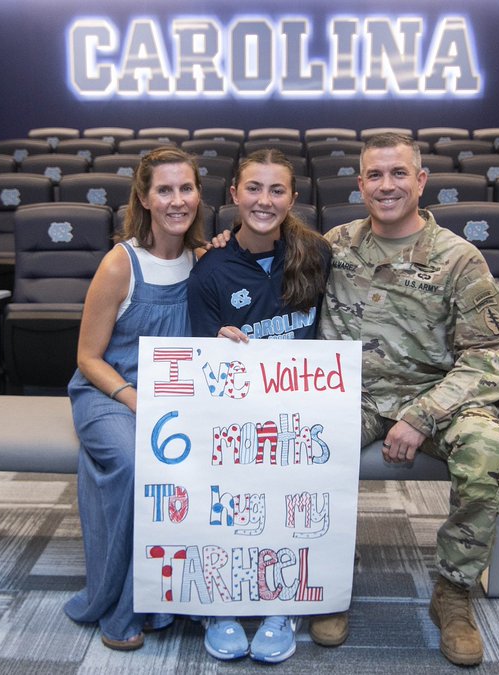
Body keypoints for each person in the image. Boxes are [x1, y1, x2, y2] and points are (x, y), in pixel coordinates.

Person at [313, 133, 499, 667]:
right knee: (299, 449)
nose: (387, 186)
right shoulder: (334, 245)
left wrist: (422, 416)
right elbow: (262, 250)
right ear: (361, 185)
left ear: (421, 181)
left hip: (435, 395)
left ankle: (452, 593)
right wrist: (214, 248)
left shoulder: (458, 259)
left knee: (487, 454)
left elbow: (489, 355)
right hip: (350, 395)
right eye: (375, 176)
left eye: (399, 173)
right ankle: (325, 583)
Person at [186, 148, 331, 663]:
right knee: (227, 491)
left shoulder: (317, 255)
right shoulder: (210, 270)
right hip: (231, 413)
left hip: (299, 412)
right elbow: (200, 368)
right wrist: (217, 348)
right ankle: (219, 602)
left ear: (294, 198)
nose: (263, 200)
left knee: (288, 494)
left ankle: (281, 601)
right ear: (233, 195)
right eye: (253, 188)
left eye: (276, 190)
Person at [65, 147, 207, 651]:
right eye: (164, 190)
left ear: (198, 195)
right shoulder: (118, 264)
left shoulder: (204, 260)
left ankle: (167, 598)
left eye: (185, 188)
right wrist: (134, 398)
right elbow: (88, 358)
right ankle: (118, 605)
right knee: (132, 464)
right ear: (144, 198)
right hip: (110, 392)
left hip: (174, 399)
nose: (176, 200)